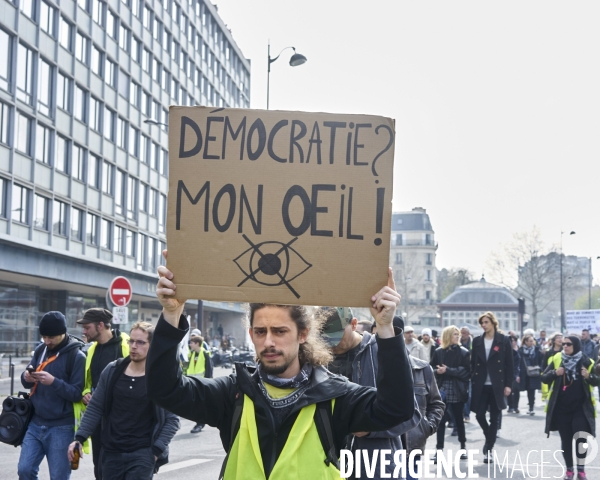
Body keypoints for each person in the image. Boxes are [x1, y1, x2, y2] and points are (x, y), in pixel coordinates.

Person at [149, 263, 415, 478]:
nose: (269, 342)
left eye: (279, 331)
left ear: (303, 334)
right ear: (251, 334)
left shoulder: (334, 395)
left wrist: (386, 329)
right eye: (261, 332)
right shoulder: (234, 394)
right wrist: (172, 315)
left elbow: (396, 409)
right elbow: (166, 390)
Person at [319, 308, 425, 479]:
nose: (332, 344)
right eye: (325, 338)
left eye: (337, 335)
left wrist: (371, 429)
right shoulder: (316, 358)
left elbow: (410, 415)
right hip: (327, 466)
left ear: (354, 324)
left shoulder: (382, 351)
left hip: (376, 467)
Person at [68, 322, 179, 479]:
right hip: (111, 452)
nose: (134, 346)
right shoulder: (113, 370)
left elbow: (172, 420)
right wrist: (79, 439)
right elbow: (95, 407)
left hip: (143, 453)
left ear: (152, 345)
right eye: (131, 341)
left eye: (140, 342)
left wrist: (155, 451)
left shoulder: (159, 378)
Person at [18, 311, 86, 480]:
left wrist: (53, 382)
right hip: (35, 422)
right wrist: (26, 377)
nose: (47, 341)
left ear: (62, 333)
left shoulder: (77, 356)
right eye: (44, 337)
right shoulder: (41, 349)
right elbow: (26, 382)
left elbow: (77, 394)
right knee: (24, 470)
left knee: (59, 477)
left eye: (51, 337)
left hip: (62, 427)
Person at [77, 308, 129, 479]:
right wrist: (85, 393)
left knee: (121, 467)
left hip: (122, 420)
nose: (84, 331)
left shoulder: (126, 345)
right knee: (99, 467)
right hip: (99, 419)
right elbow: (88, 382)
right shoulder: (92, 349)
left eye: (87, 327)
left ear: (100, 325)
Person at [542, 336, 599, 480]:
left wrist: (588, 376)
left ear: (576, 346)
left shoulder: (587, 362)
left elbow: (597, 381)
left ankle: (581, 470)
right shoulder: (556, 359)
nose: (565, 346)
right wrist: (555, 373)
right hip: (561, 408)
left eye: (568, 344)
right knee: (566, 440)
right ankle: (569, 470)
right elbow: (544, 377)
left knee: (581, 439)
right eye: (563, 344)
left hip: (581, 407)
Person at [470, 311, 513, 463]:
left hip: (497, 385)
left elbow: (509, 364)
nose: (483, 325)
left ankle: (488, 448)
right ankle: (490, 436)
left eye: (486, 322)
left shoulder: (503, 340)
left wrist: (508, 385)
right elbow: (473, 363)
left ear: (493, 323)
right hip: (481, 384)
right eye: (482, 323)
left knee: (495, 418)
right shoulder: (476, 341)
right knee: (479, 415)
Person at [431, 325, 470, 463]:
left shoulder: (464, 352)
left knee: (459, 420)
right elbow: (431, 369)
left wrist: (448, 370)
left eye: (458, 334)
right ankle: (439, 450)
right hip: (442, 389)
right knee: (440, 421)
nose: (458, 336)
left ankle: (463, 447)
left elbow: (466, 372)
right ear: (447, 336)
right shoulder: (438, 352)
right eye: (455, 334)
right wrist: (437, 372)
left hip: (457, 389)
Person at [187, 335, 213, 433]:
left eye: (192, 343)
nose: (190, 345)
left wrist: (208, 383)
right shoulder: (192, 354)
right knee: (196, 404)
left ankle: (200, 423)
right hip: (193, 382)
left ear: (197, 344)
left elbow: (209, 369)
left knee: (199, 404)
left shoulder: (205, 353)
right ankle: (202, 420)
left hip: (202, 383)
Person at [517, 334, 543, 415]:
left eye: (533, 341)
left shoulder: (537, 350)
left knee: (532, 390)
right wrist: (517, 374)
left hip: (534, 373)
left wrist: (540, 369)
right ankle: (515, 406)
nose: (532, 342)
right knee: (523, 389)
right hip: (524, 373)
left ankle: (531, 408)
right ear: (526, 342)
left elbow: (541, 360)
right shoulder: (520, 351)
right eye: (530, 341)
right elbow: (517, 362)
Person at [541, 332, 563, 401]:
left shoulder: (564, 351)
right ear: (554, 340)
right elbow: (544, 365)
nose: (560, 340)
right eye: (558, 338)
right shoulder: (548, 352)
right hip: (551, 376)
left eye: (561, 338)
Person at [507, 335, 521, 413]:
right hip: (510, 373)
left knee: (516, 390)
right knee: (509, 389)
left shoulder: (520, 350)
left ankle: (516, 406)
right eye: (511, 341)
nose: (512, 342)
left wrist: (518, 374)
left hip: (518, 372)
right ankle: (511, 406)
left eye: (514, 340)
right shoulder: (507, 351)